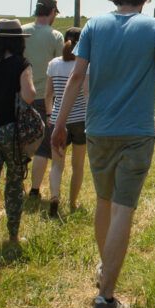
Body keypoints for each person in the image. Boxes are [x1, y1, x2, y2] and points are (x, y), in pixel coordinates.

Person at [51, 0, 155, 308]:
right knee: (124, 208)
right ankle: (106, 295)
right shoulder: (154, 29)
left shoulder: (93, 26)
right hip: (137, 132)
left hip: (98, 130)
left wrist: (60, 122)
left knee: (104, 203)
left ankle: (103, 269)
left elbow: (77, 77)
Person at [0, 18, 36, 245]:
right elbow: (30, 95)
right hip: (12, 131)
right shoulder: (21, 64)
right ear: (19, 41)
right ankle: (13, 234)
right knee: (14, 184)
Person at [45, 26, 88, 217]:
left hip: (57, 119)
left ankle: (54, 197)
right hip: (80, 119)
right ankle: (72, 202)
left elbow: (48, 94)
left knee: (56, 164)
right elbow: (87, 93)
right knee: (77, 165)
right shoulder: (84, 64)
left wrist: (49, 115)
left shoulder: (54, 64)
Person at [24, 0, 64, 199]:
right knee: (42, 146)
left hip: (20, 95)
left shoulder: (21, 31)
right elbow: (60, 65)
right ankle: (35, 189)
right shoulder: (55, 36)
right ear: (51, 13)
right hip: (44, 97)